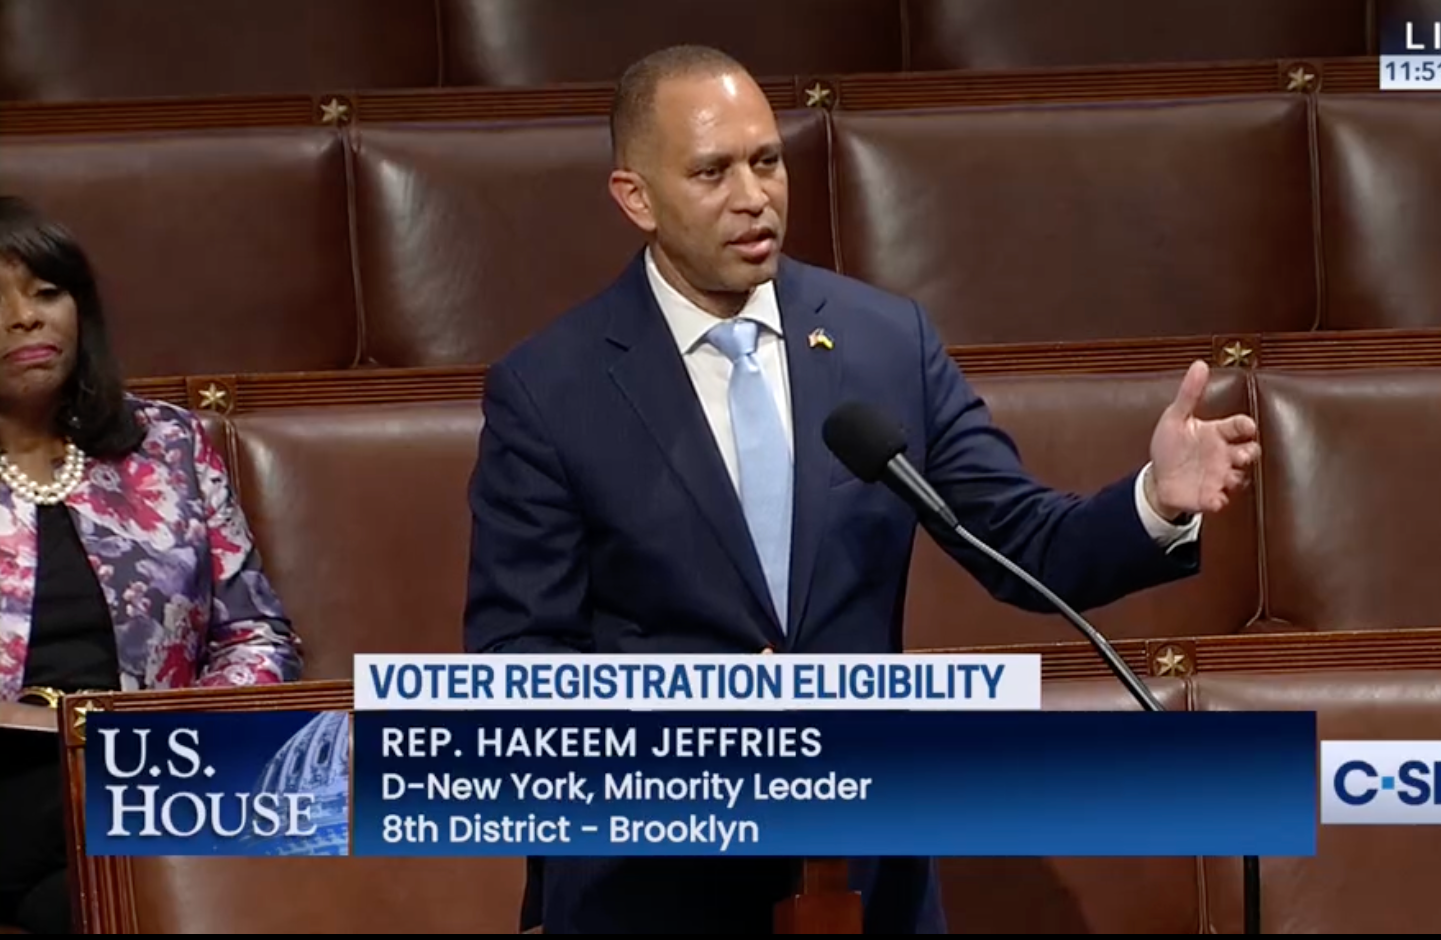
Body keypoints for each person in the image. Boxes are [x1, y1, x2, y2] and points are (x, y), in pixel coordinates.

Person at [463, 45, 1260, 935]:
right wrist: (706, 718)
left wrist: (1159, 497)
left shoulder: (885, 345)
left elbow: (1025, 545)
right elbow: (516, 668)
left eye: (766, 161)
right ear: (635, 197)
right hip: (654, 884)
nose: (753, 195)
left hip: (864, 876)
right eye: (711, 172)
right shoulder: (550, 390)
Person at [0, 196, 304, 934]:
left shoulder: (167, 445)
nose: (26, 317)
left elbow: (255, 635)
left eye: (47, 292)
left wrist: (185, 730)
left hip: (156, 767)